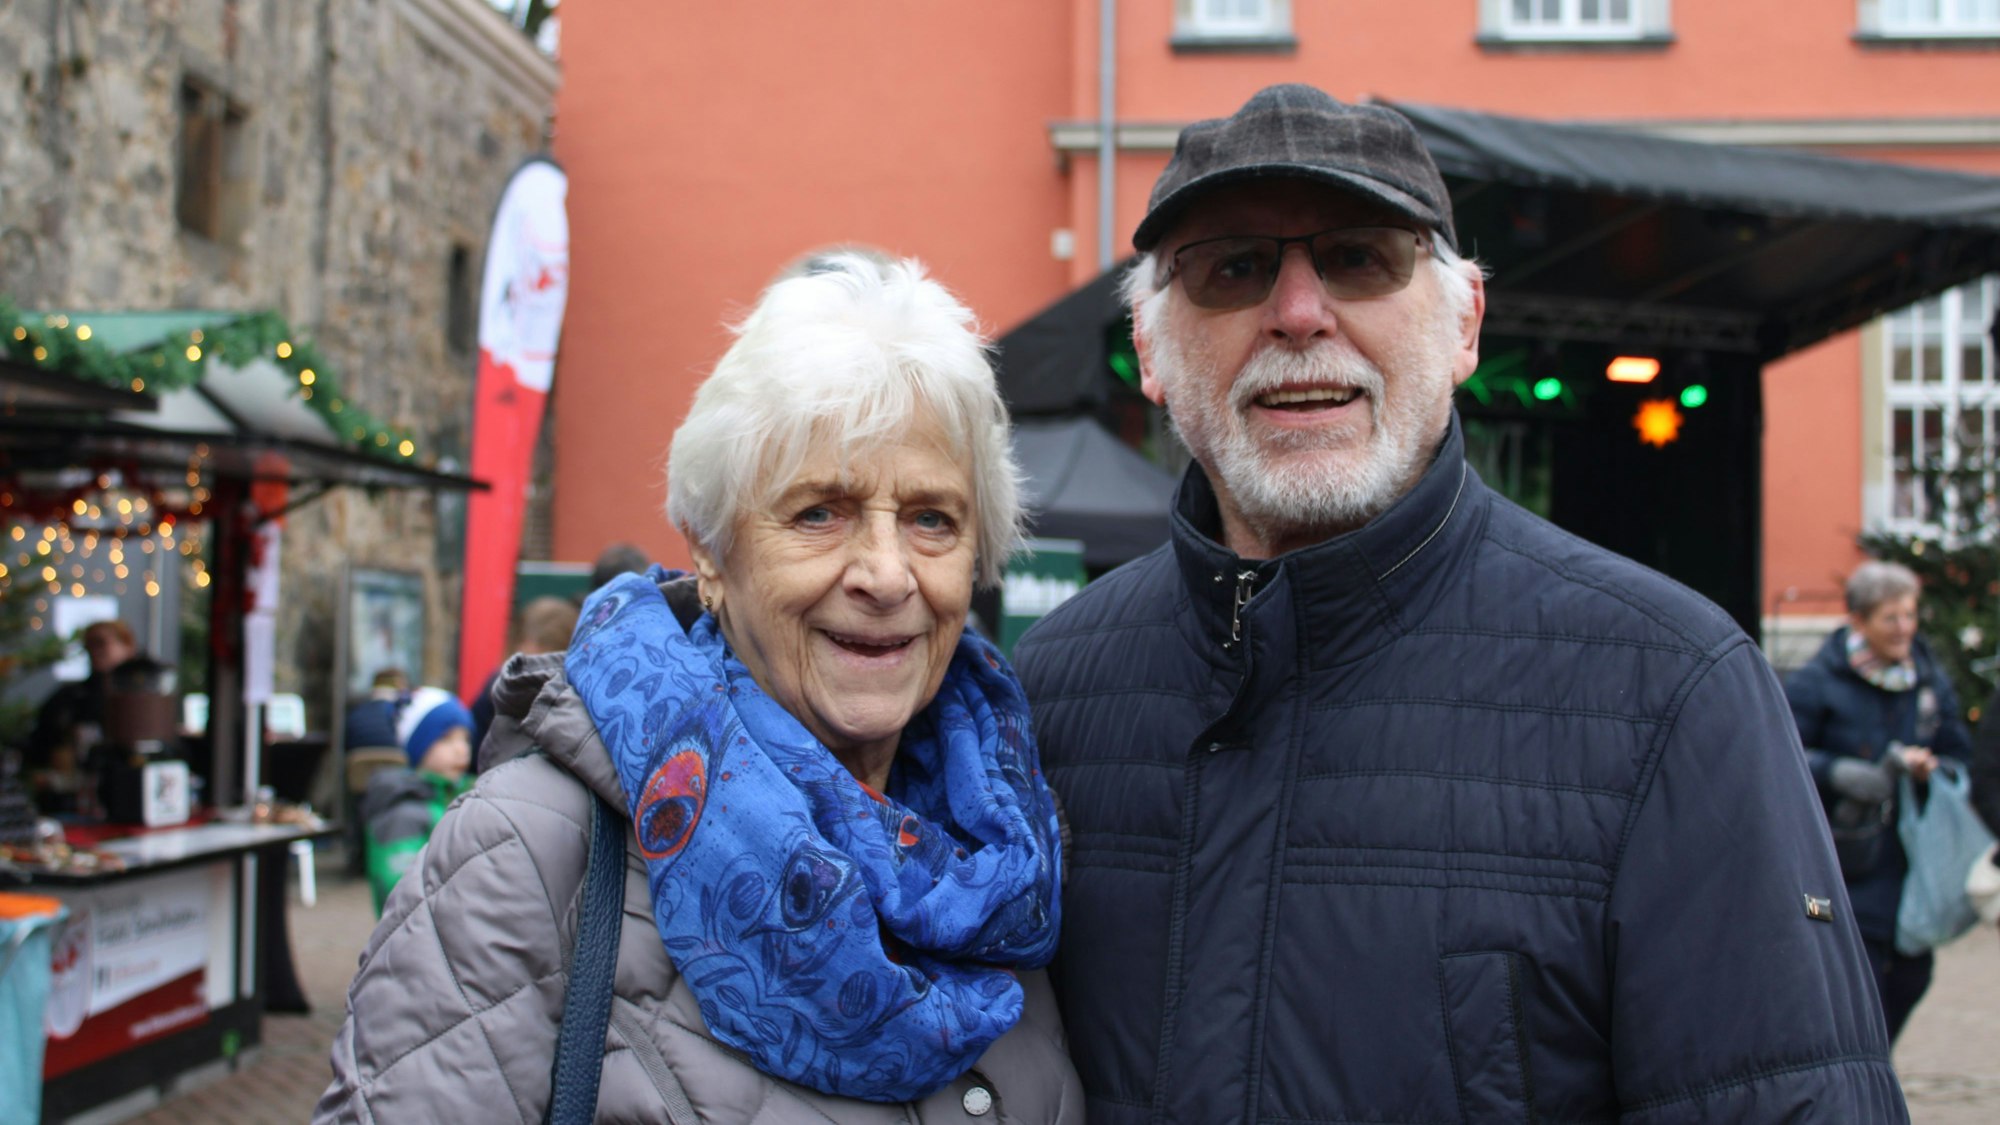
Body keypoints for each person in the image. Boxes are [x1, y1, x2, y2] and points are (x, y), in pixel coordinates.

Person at [1012, 84, 1902, 1122]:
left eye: (1357, 258)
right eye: (1233, 269)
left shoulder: (1670, 691)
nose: (1297, 314)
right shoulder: (1048, 693)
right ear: (1153, 353)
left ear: (1464, 324)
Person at [317, 255, 1079, 1122]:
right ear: (712, 552)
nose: (884, 571)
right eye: (819, 512)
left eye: (931, 518)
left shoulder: (1011, 845)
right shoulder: (530, 850)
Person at [1787, 560, 1971, 1038]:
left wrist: (1933, 768)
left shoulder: (1927, 680)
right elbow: (1779, 754)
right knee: (1857, 979)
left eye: (1910, 615)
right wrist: (1838, 772)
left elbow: (1958, 753)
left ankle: (1871, 1068)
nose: (1904, 628)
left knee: (1913, 974)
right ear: (1860, 620)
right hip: (1843, 857)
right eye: (1891, 617)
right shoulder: (1818, 682)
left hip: (1910, 859)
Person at [358, 686, 475, 913]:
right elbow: (402, 895)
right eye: (446, 739)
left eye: (465, 739)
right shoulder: (402, 814)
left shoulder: (465, 797)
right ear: (419, 745)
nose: (461, 750)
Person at [465, 595, 579, 759]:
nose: (529, 678)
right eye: (523, 664)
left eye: (542, 667)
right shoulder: (496, 690)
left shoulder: (574, 699)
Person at [27, 619, 139, 772]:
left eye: (101, 643)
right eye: (89, 645)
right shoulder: (71, 697)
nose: (94, 651)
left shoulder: (145, 696)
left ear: (127, 646)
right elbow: (43, 741)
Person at [341, 668, 407, 751]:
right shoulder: (400, 710)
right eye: (402, 685)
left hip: (357, 759)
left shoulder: (356, 711)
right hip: (396, 757)